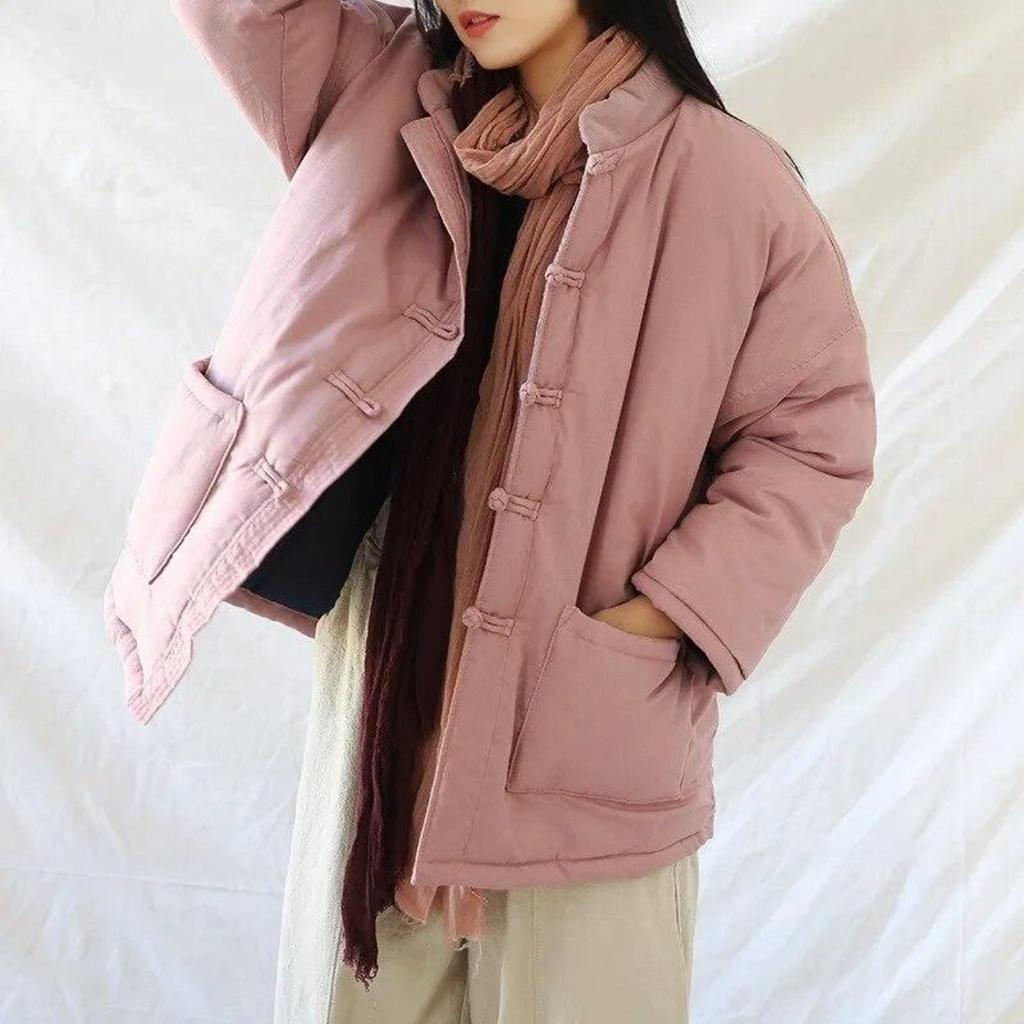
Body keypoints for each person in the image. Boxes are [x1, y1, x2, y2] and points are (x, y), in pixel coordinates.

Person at [113, 1, 877, 1020]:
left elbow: (816, 437)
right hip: (383, 730)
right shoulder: (380, 93)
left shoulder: (731, 181)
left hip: (588, 749)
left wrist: (662, 616)